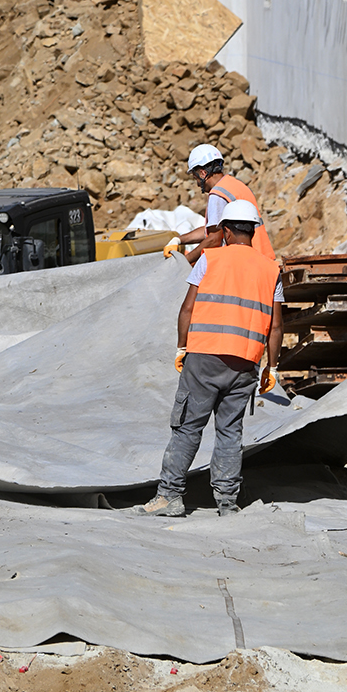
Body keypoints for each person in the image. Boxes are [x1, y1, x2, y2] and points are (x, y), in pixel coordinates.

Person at [134, 199, 283, 519]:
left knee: (187, 427)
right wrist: (272, 366)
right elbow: (276, 324)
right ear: (253, 232)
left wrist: (181, 347)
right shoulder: (271, 268)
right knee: (230, 431)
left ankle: (170, 496)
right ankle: (228, 503)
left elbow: (187, 308)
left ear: (227, 231)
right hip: (245, 362)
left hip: (203, 357)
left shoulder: (210, 259)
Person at [162, 144, 275, 263]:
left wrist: (186, 261)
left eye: (196, 178)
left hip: (247, 261)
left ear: (202, 173)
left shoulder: (218, 194)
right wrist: (179, 240)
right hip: (262, 257)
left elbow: (214, 239)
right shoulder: (235, 185)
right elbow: (212, 229)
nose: (197, 184)